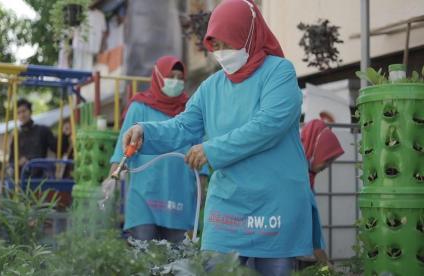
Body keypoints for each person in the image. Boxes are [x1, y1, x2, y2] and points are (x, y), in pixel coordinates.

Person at [120, 1, 316, 275]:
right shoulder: (211, 86)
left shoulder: (279, 72)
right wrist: (146, 130)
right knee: (216, 269)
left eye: (229, 42)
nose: (222, 53)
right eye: (216, 45)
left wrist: (212, 150)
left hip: (274, 200)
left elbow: (268, 125)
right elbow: (183, 126)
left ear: (248, 34)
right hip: (229, 202)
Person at [107, 56, 208, 243]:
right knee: (143, 256)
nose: (176, 81)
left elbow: (200, 149)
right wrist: (111, 180)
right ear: (158, 76)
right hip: (144, 198)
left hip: (180, 194)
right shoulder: (139, 107)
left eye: (180, 77)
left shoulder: (190, 110)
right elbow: (122, 150)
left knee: (177, 261)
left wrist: (202, 185)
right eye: (171, 76)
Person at [301, 119, 344, 265]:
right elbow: (313, 235)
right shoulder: (298, 181)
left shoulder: (306, 177)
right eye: (327, 159)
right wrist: (328, 270)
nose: (327, 165)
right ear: (314, 149)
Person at [9, 99, 69, 178]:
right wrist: (19, 162)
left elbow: (57, 147)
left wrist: (64, 135)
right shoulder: (17, 136)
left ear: (30, 111)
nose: (22, 115)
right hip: (22, 177)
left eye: (24, 111)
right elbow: (11, 161)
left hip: (40, 176)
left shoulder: (43, 130)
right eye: (18, 113)